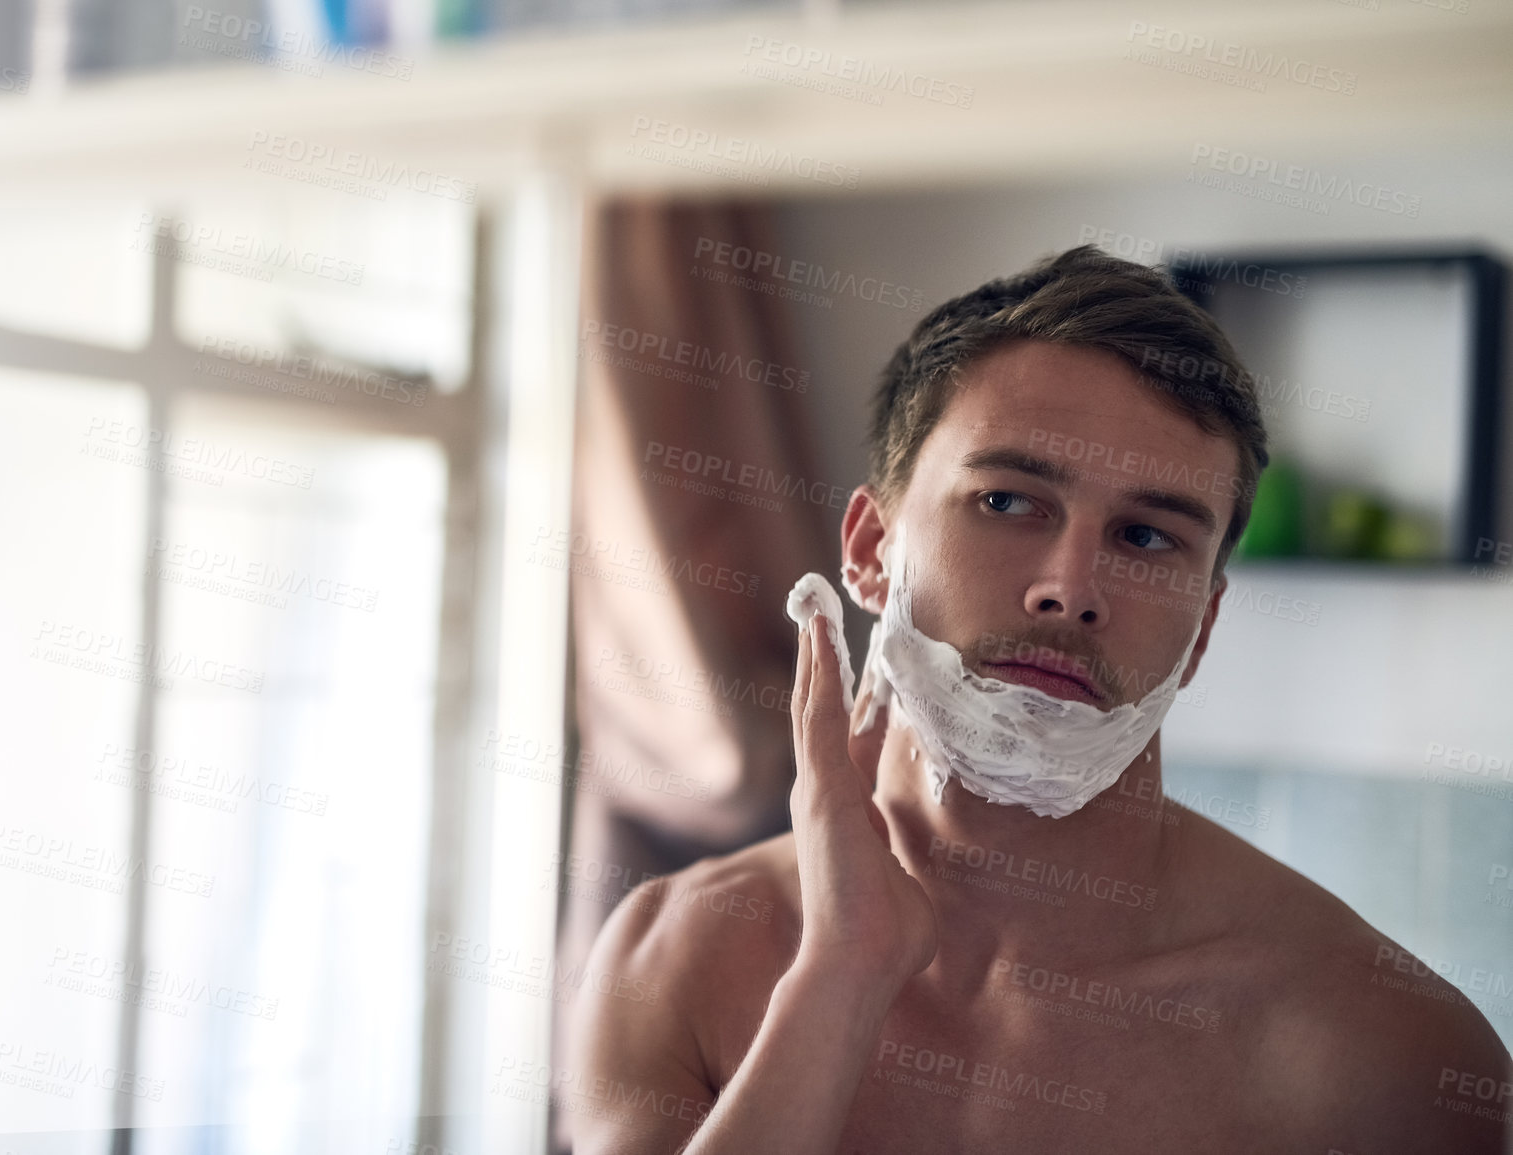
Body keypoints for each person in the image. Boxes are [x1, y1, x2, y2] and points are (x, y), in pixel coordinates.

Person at [565, 245, 1512, 1153]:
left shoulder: (1386, 1055)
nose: (1071, 586)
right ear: (867, 547)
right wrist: (840, 976)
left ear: (1203, 628)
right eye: (1007, 502)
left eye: (1145, 537)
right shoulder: (676, 956)